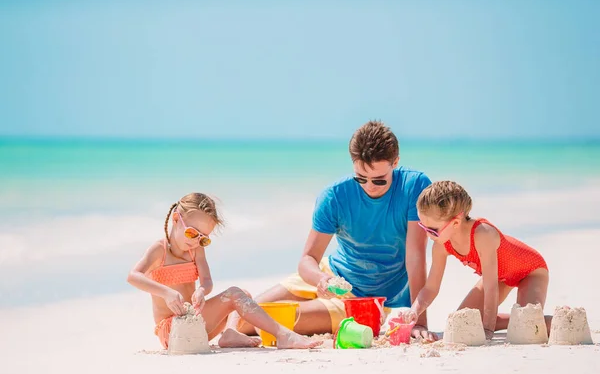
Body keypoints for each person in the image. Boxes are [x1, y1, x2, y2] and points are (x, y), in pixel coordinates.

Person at [233, 120, 435, 340]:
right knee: (244, 315)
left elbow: (415, 255)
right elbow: (307, 259)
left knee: (264, 322)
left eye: (379, 180)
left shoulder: (414, 186)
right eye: (360, 178)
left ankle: (315, 311)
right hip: (330, 274)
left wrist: (419, 321)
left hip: (361, 300)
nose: (369, 186)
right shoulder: (335, 195)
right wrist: (322, 280)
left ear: (395, 162)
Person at [127, 192, 321, 349]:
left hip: (194, 323)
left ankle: (229, 333)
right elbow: (133, 276)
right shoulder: (159, 250)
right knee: (235, 295)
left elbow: (207, 281)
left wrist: (202, 291)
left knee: (243, 294)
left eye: (203, 238)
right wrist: (166, 292)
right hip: (173, 331)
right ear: (176, 219)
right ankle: (283, 335)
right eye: (192, 233)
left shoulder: (195, 251)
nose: (195, 241)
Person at [401, 180, 550, 339]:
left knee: (527, 325)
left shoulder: (483, 234)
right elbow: (431, 288)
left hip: (530, 270)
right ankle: (514, 321)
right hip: (500, 276)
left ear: (456, 222)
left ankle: (563, 319)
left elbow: (491, 287)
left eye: (432, 230)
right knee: (462, 322)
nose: (428, 235)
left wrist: (488, 329)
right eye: (423, 227)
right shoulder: (441, 245)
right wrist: (414, 310)